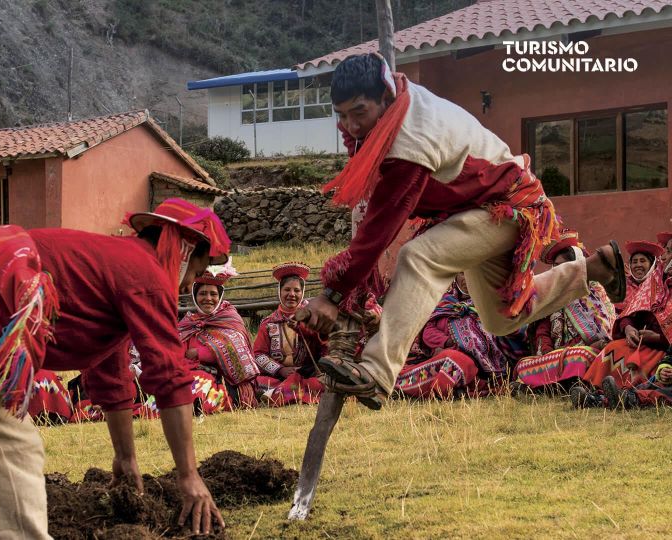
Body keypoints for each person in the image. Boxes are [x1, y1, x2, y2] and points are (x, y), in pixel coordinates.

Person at [0, 199, 228, 538]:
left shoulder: (123, 265)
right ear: (182, 250)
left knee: (19, 456)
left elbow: (112, 372)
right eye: (196, 272)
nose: (187, 287)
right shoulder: (145, 273)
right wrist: (189, 477)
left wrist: (125, 457)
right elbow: (168, 375)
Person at [299, 53, 626, 410]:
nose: (351, 125)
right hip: (473, 209)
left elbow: (381, 226)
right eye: (342, 115)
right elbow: (377, 215)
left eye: (359, 112)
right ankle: (593, 270)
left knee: (420, 257)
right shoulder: (388, 114)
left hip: (506, 205)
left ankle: (376, 373)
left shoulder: (411, 138)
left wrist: (332, 295)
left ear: (386, 97)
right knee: (501, 320)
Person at [512, 232, 615, 393]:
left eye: (563, 266)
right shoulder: (551, 296)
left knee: (581, 357)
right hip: (558, 355)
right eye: (556, 266)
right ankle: (561, 385)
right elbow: (542, 331)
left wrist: (565, 353)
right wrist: (546, 353)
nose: (558, 270)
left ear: (577, 266)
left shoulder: (595, 291)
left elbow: (604, 335)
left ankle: (546, 386)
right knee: (523, 365)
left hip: (591, 350)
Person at [572, 241, 669, 408]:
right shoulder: (652, 284)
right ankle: (598, 391)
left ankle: (617, 395)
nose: (665, 256)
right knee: (614, 348)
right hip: (640, 341)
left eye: (643, 261)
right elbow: (629, 314)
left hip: (663, 347)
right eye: (634, 261)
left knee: (649, 361)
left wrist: (657, 338)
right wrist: (628, 328)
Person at [394, 274, 523, 399]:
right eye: (462, 273)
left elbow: (509, 330)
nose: (467, 279)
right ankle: (446, 390)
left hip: (492, 362)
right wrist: (448, 342)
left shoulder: (489, 303)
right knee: (455, 360)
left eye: (471, 274)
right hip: (456, 355)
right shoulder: (442, 302)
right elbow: (428, 333)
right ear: (455, 277)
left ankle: (466, 388)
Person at [178, 272, 260, 409]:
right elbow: (177, 350)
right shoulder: (188, 323)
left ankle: (201, 403)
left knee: (194, 385)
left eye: (213, 294)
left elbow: (235, 350)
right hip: (191, 373)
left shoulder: (230, 319)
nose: (208, 298)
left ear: (220, 296)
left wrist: (199, 353)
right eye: (202, 293)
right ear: (195, 296)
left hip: (227, 381)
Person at [253, 262, 326, 406]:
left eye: (296, 290)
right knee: (255, 383)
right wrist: (281, 370)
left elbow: (325, 346)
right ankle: (288, 391)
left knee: (322, 383)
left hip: (308, 375)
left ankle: (281, 394)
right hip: (277, 378)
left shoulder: (314, 318)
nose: (291, 294)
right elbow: (258, 355)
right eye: (287, 289)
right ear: (279, 292)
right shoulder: (269, 323)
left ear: (302, 292)